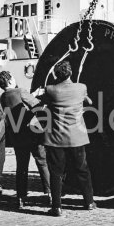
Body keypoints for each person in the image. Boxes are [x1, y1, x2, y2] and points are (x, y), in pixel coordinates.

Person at [39, 61, 95, 217]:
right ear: (70, 73)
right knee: (82, 170)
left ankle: (56, 207)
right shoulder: (81, 87)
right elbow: (89, 102)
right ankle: (89, 202)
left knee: (56, 172)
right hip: (77, 137)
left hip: (56, 138)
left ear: (56, 75)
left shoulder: (50, 89)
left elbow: (43, 101)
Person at [0, 71, 51, 210]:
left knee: (21, 167)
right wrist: (38, 96)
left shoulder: (3, 96)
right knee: (42, 162)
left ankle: (20, 197)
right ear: (9, 81)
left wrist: (33, 94)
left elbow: (16, 109)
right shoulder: (20, 91)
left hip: (17, 137)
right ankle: (50, 194)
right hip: (31, 134)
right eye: (13, 78)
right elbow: (36, 106)